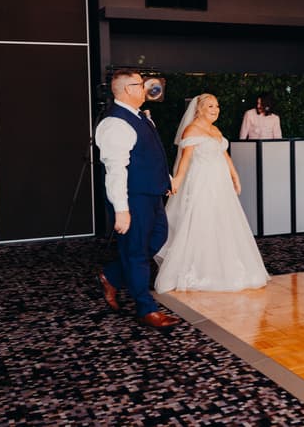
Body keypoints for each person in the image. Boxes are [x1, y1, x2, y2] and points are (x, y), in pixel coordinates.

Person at [154, 94, 270, 293]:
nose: (215, 109)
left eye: (217, 106)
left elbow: (225, 156)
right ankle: (199, 270)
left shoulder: (215, 129)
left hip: (220, 183)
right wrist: (177, 181)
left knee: (224, 222)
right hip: (201, 183)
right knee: (202, 221)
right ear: (199, 109)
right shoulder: (191, 130)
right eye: (210, 106)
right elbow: (185, 160)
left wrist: (235, 177)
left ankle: (226, 268)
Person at [94, 69, 180, 329]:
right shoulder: (114, 123)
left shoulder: (140, 116)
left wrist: (166, 179)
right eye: (141, 84)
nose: (147, 87)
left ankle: (111, 275)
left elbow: (151, 153)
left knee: (157, 239)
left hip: (152, 194)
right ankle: (146, 309)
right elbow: (116, 169)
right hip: (133, 198)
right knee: (137, 253)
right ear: (127, 89)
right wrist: (121, 209)